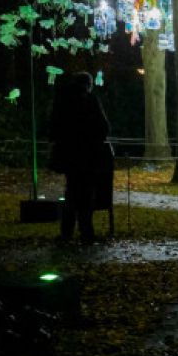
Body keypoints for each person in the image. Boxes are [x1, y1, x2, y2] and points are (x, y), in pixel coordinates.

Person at [48, 72, 113, 242]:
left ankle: (66, 232)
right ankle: (86, 231)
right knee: (86, 194)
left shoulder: (62, 100)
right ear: (88, 84)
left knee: (71, 191)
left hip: (69, 155)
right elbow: (103, 126)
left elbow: (53, 127)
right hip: (88, 155)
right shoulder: (90, 100)